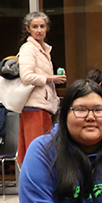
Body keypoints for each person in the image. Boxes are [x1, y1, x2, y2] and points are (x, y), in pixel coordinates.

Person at [17, 11, 68, 165]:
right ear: (28, 29)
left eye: (42, 26)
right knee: (36, 150)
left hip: (44, 106)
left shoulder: (44, 49)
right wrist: (51, 79)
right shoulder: (28, 48)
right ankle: (35, 178)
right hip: (34, 106)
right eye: (35, 27)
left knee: (44, 149)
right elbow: (26, 77)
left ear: (47, 28)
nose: (39, 30)